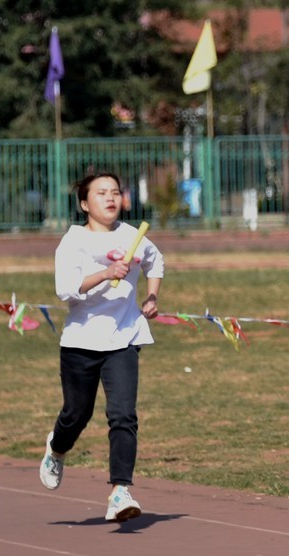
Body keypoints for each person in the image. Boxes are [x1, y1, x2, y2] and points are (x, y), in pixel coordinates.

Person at [39, 171, 164, 522]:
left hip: (123, 338)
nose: (110, 198)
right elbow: (65, 289)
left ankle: (120, 491)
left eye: (115, 192)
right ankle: (57, 448)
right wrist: (105, 274)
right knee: (76, 415)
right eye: (101, 193)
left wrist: (152, 297)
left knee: (123, 414)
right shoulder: (73, 241)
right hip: (80, 341)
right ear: (84, 203)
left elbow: (155, 262)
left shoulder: (133, 236)